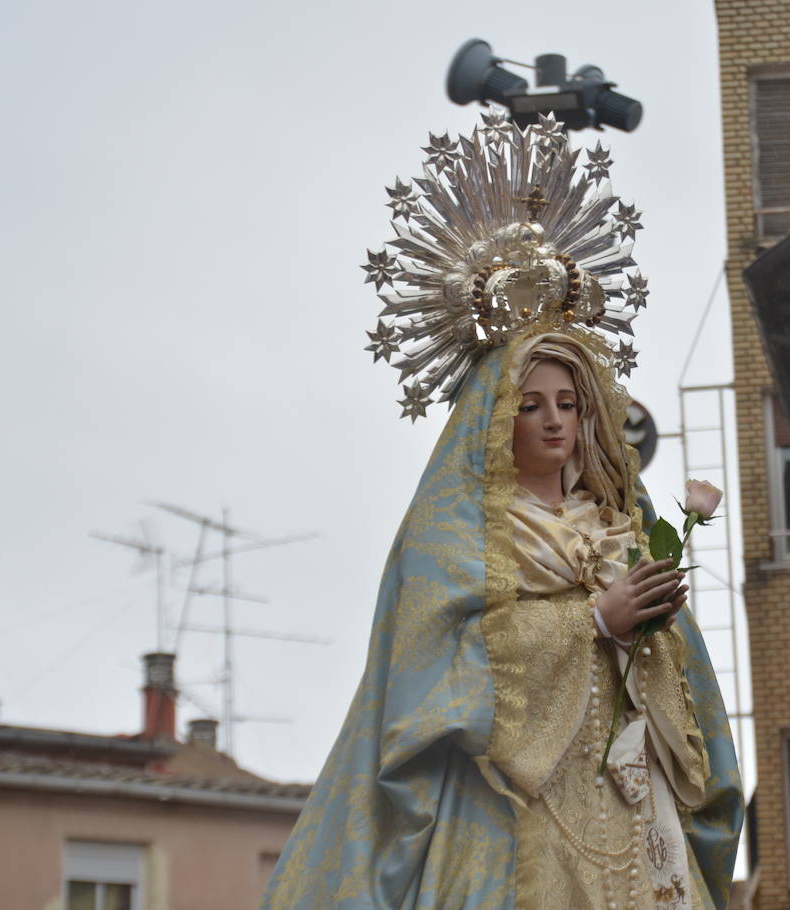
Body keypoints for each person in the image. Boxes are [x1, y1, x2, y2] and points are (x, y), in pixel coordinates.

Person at [262, 113, 741, 909]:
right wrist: (592, 623)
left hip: (632, 811)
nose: (554, 420)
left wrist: (651, 638)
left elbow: (686, 698)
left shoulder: (621, 532)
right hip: (508, 816)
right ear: (496, 421)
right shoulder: (456, 538)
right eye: (530, 405)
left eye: (568, 403)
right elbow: (429, 681)